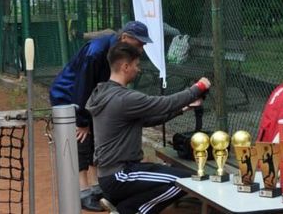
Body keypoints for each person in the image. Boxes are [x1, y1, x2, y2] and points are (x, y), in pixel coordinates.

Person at [86, 41, 211, 214]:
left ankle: (124, 206)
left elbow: (148, 120)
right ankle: (129, 210)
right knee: (187, 182)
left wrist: (184, 108)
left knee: (177, 179)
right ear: (125, 67)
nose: (138, 69)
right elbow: (164, 104)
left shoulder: (105, 92)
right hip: (121, 174)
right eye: (136, 65)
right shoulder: (124, 98)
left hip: (112, 174)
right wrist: (198, 88)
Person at [49, 21, 153, 211]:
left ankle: (97, 186)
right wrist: (82, 120)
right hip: (69, 95)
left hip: (90, 95)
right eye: (139, 43)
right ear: (125, 38)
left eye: (143, 45)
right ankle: (83, 191)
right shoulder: (96, 52)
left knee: (97, 134)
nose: (141, 49)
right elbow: (83, 85)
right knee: (82, 137)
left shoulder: (119, 52)